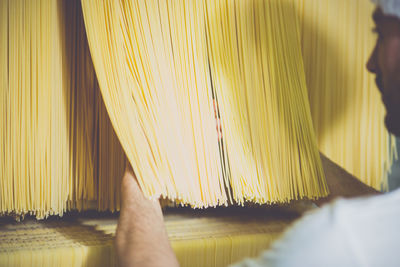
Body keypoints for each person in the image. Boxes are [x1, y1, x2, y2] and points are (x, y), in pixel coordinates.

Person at [115, 1, 400, 266]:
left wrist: (145, 174)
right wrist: (292, 160)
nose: (371, 63)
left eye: (381, 34)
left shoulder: (339, 240)